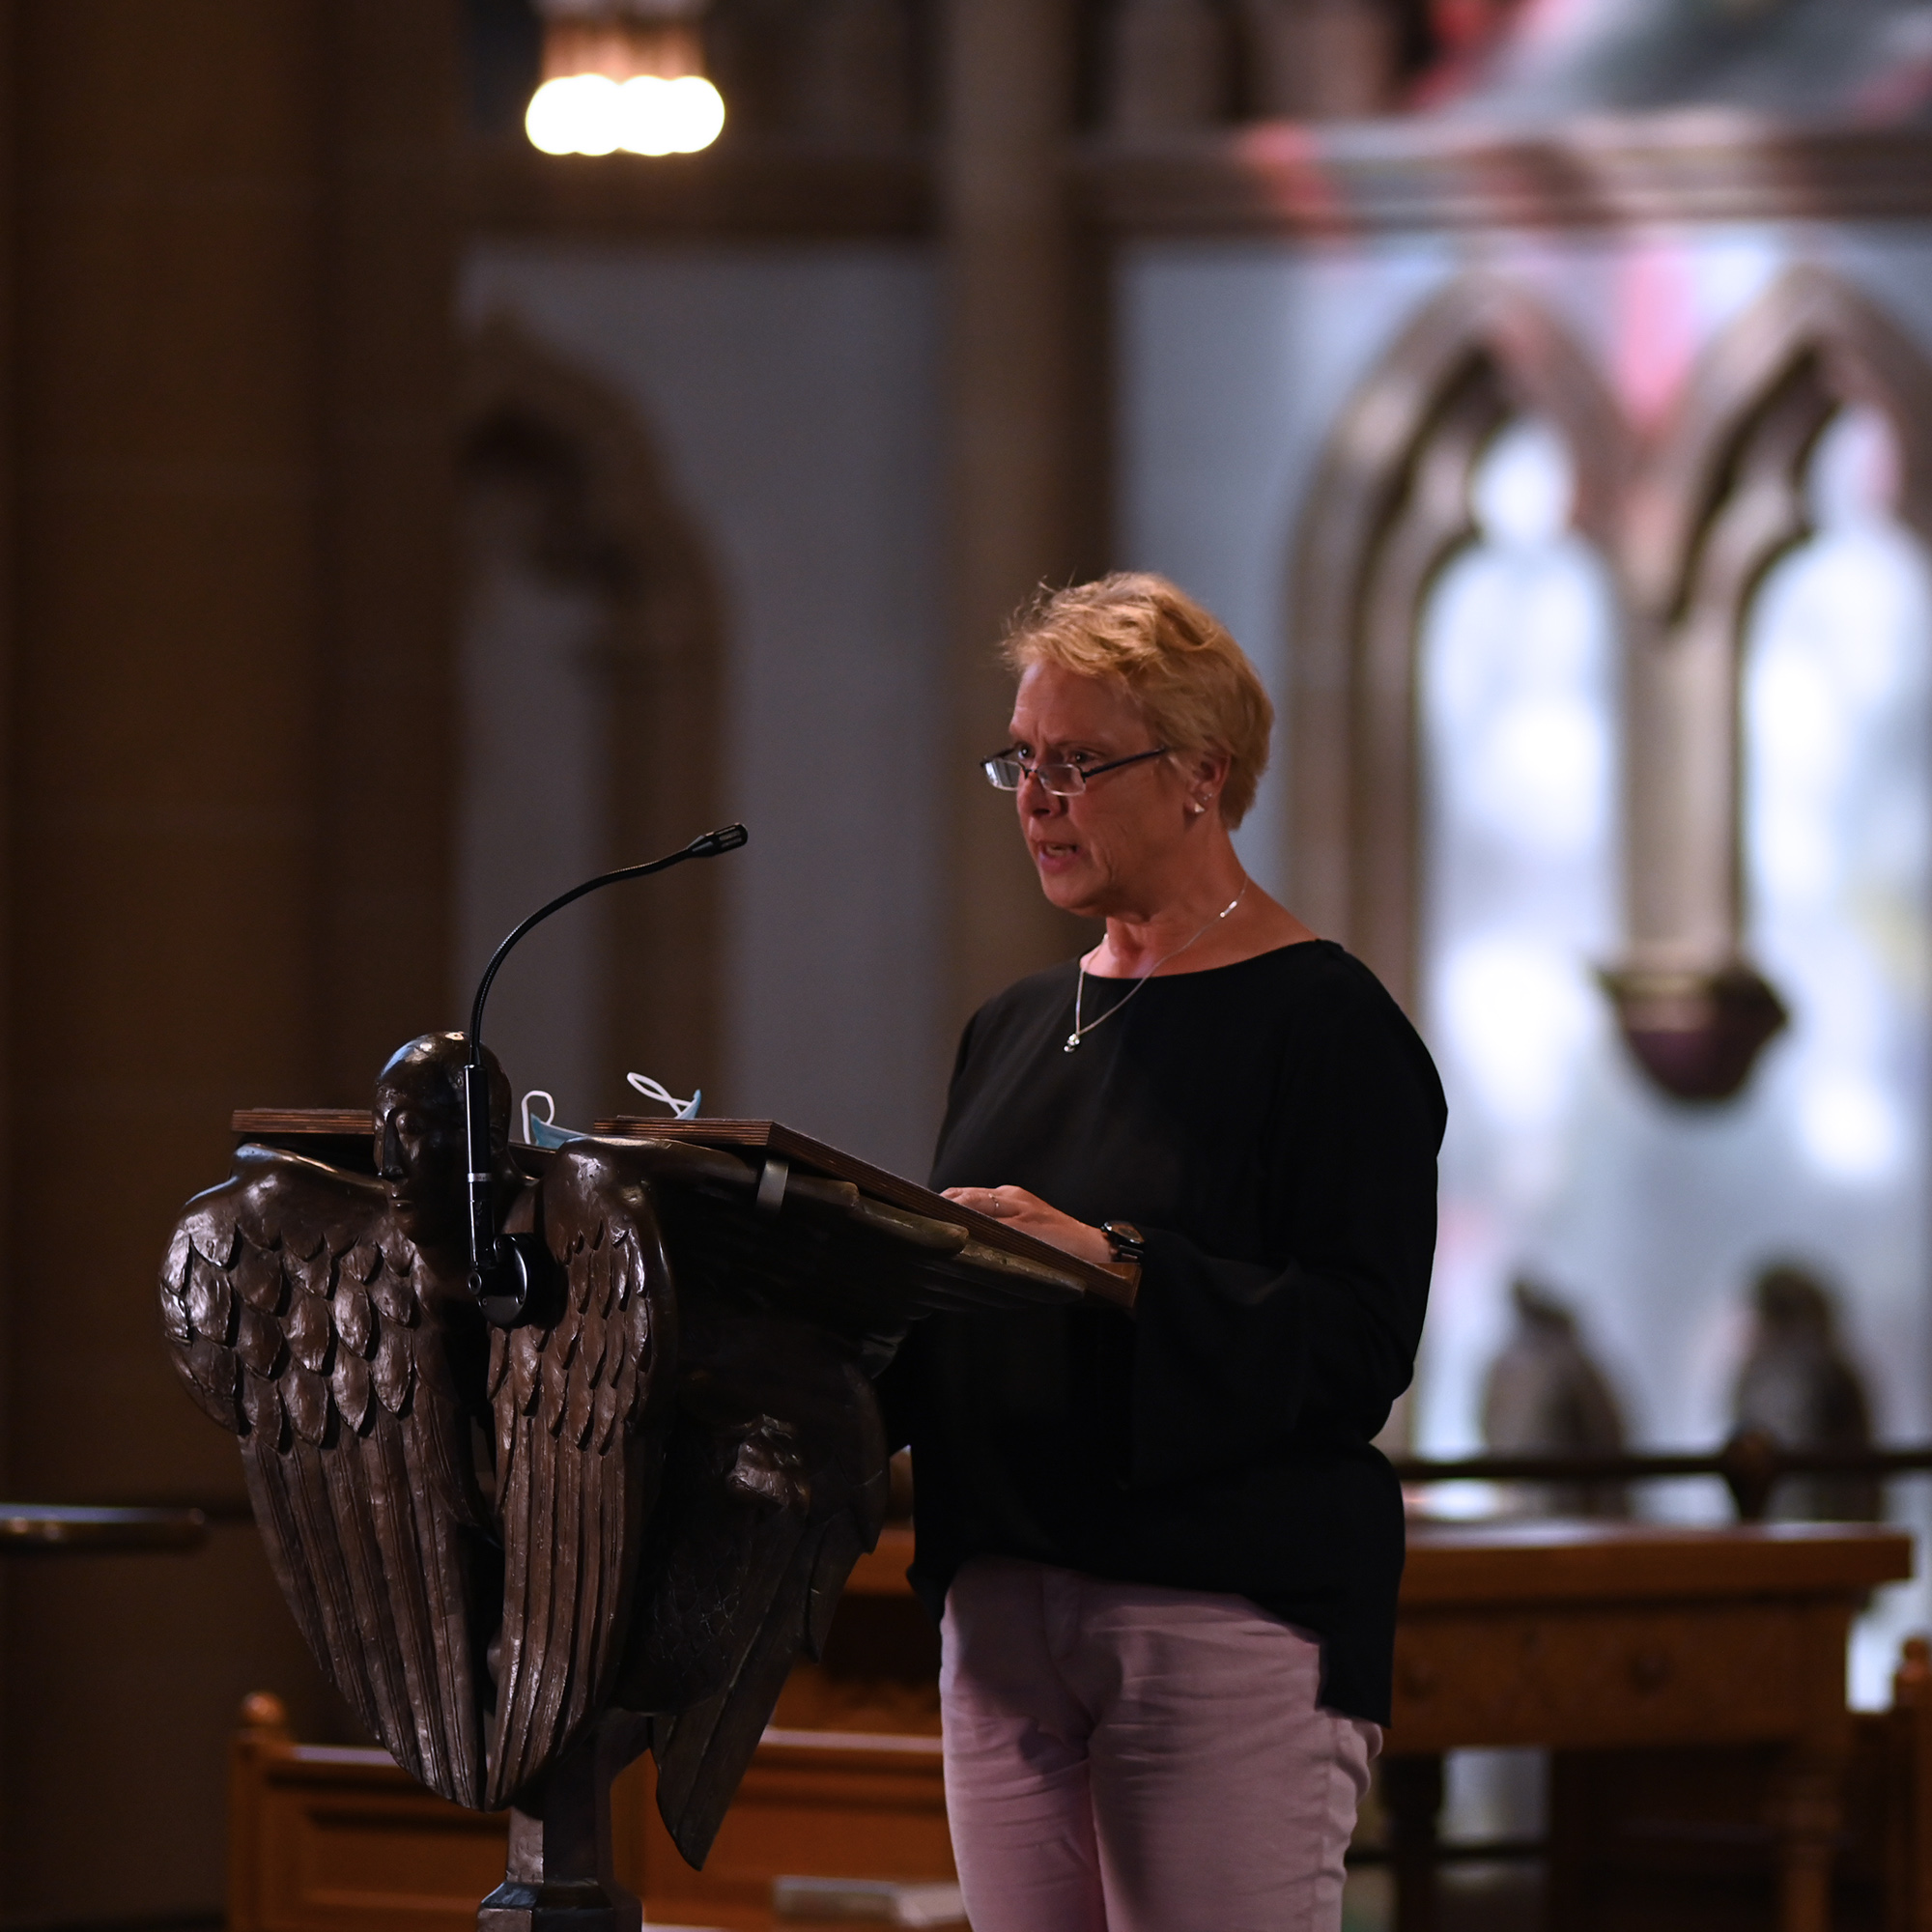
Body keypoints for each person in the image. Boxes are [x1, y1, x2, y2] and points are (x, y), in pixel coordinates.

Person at [877, 573, 1445, 1932]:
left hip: (1219, 1612)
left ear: (1202, 775)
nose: (1036, 797)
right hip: (1001, 1609)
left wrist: (1116, 1265)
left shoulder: (1328, 1025)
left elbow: (1359, 1344)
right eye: (1021, 759)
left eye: (1077, 763)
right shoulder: (1012, 1027)